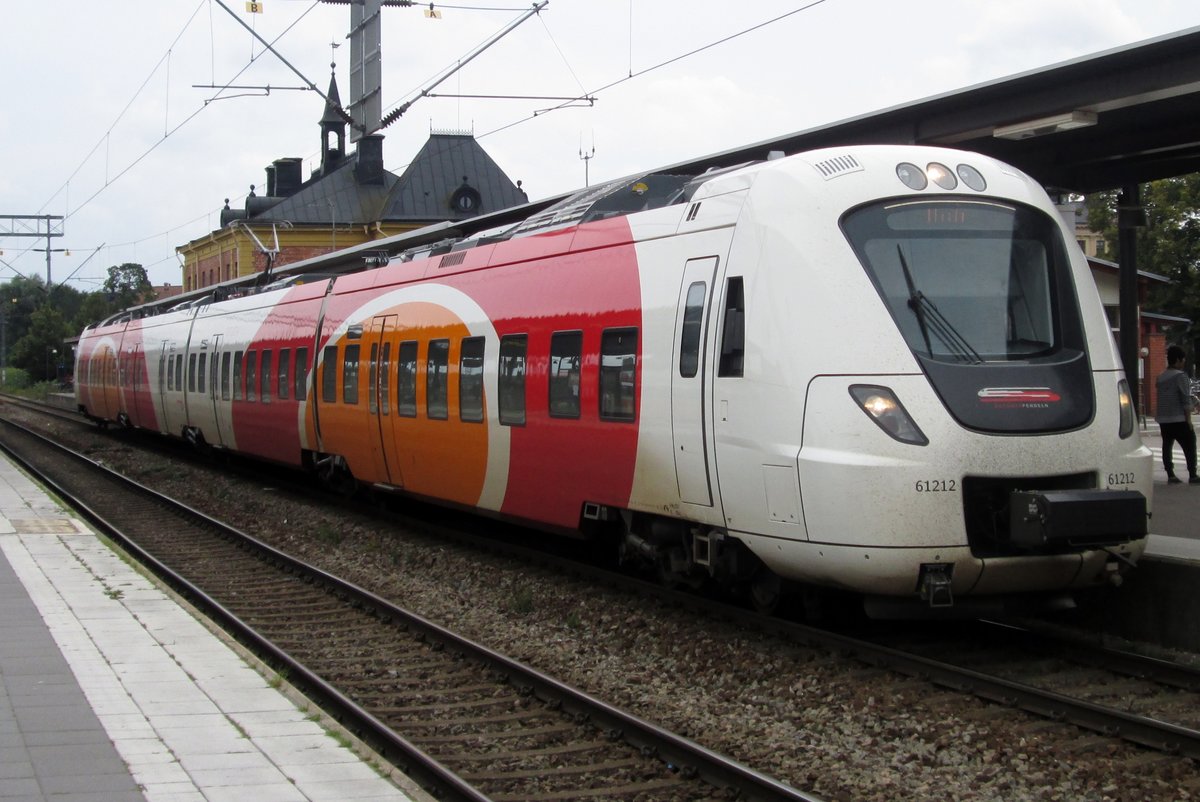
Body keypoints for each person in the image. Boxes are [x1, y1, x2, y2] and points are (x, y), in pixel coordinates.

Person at [1155, 344, 1199, 485]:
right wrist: (1189, 420)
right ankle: (1192, 474)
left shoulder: (1160, 377)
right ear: (1178, 360)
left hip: (1164, 419)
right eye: (1183, 360)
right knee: (1190, 444)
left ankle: (1171, 475)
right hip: (1179, 418)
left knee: (1167, 446)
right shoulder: (1181, 376)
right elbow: (1185, 398)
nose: (1184, 362)